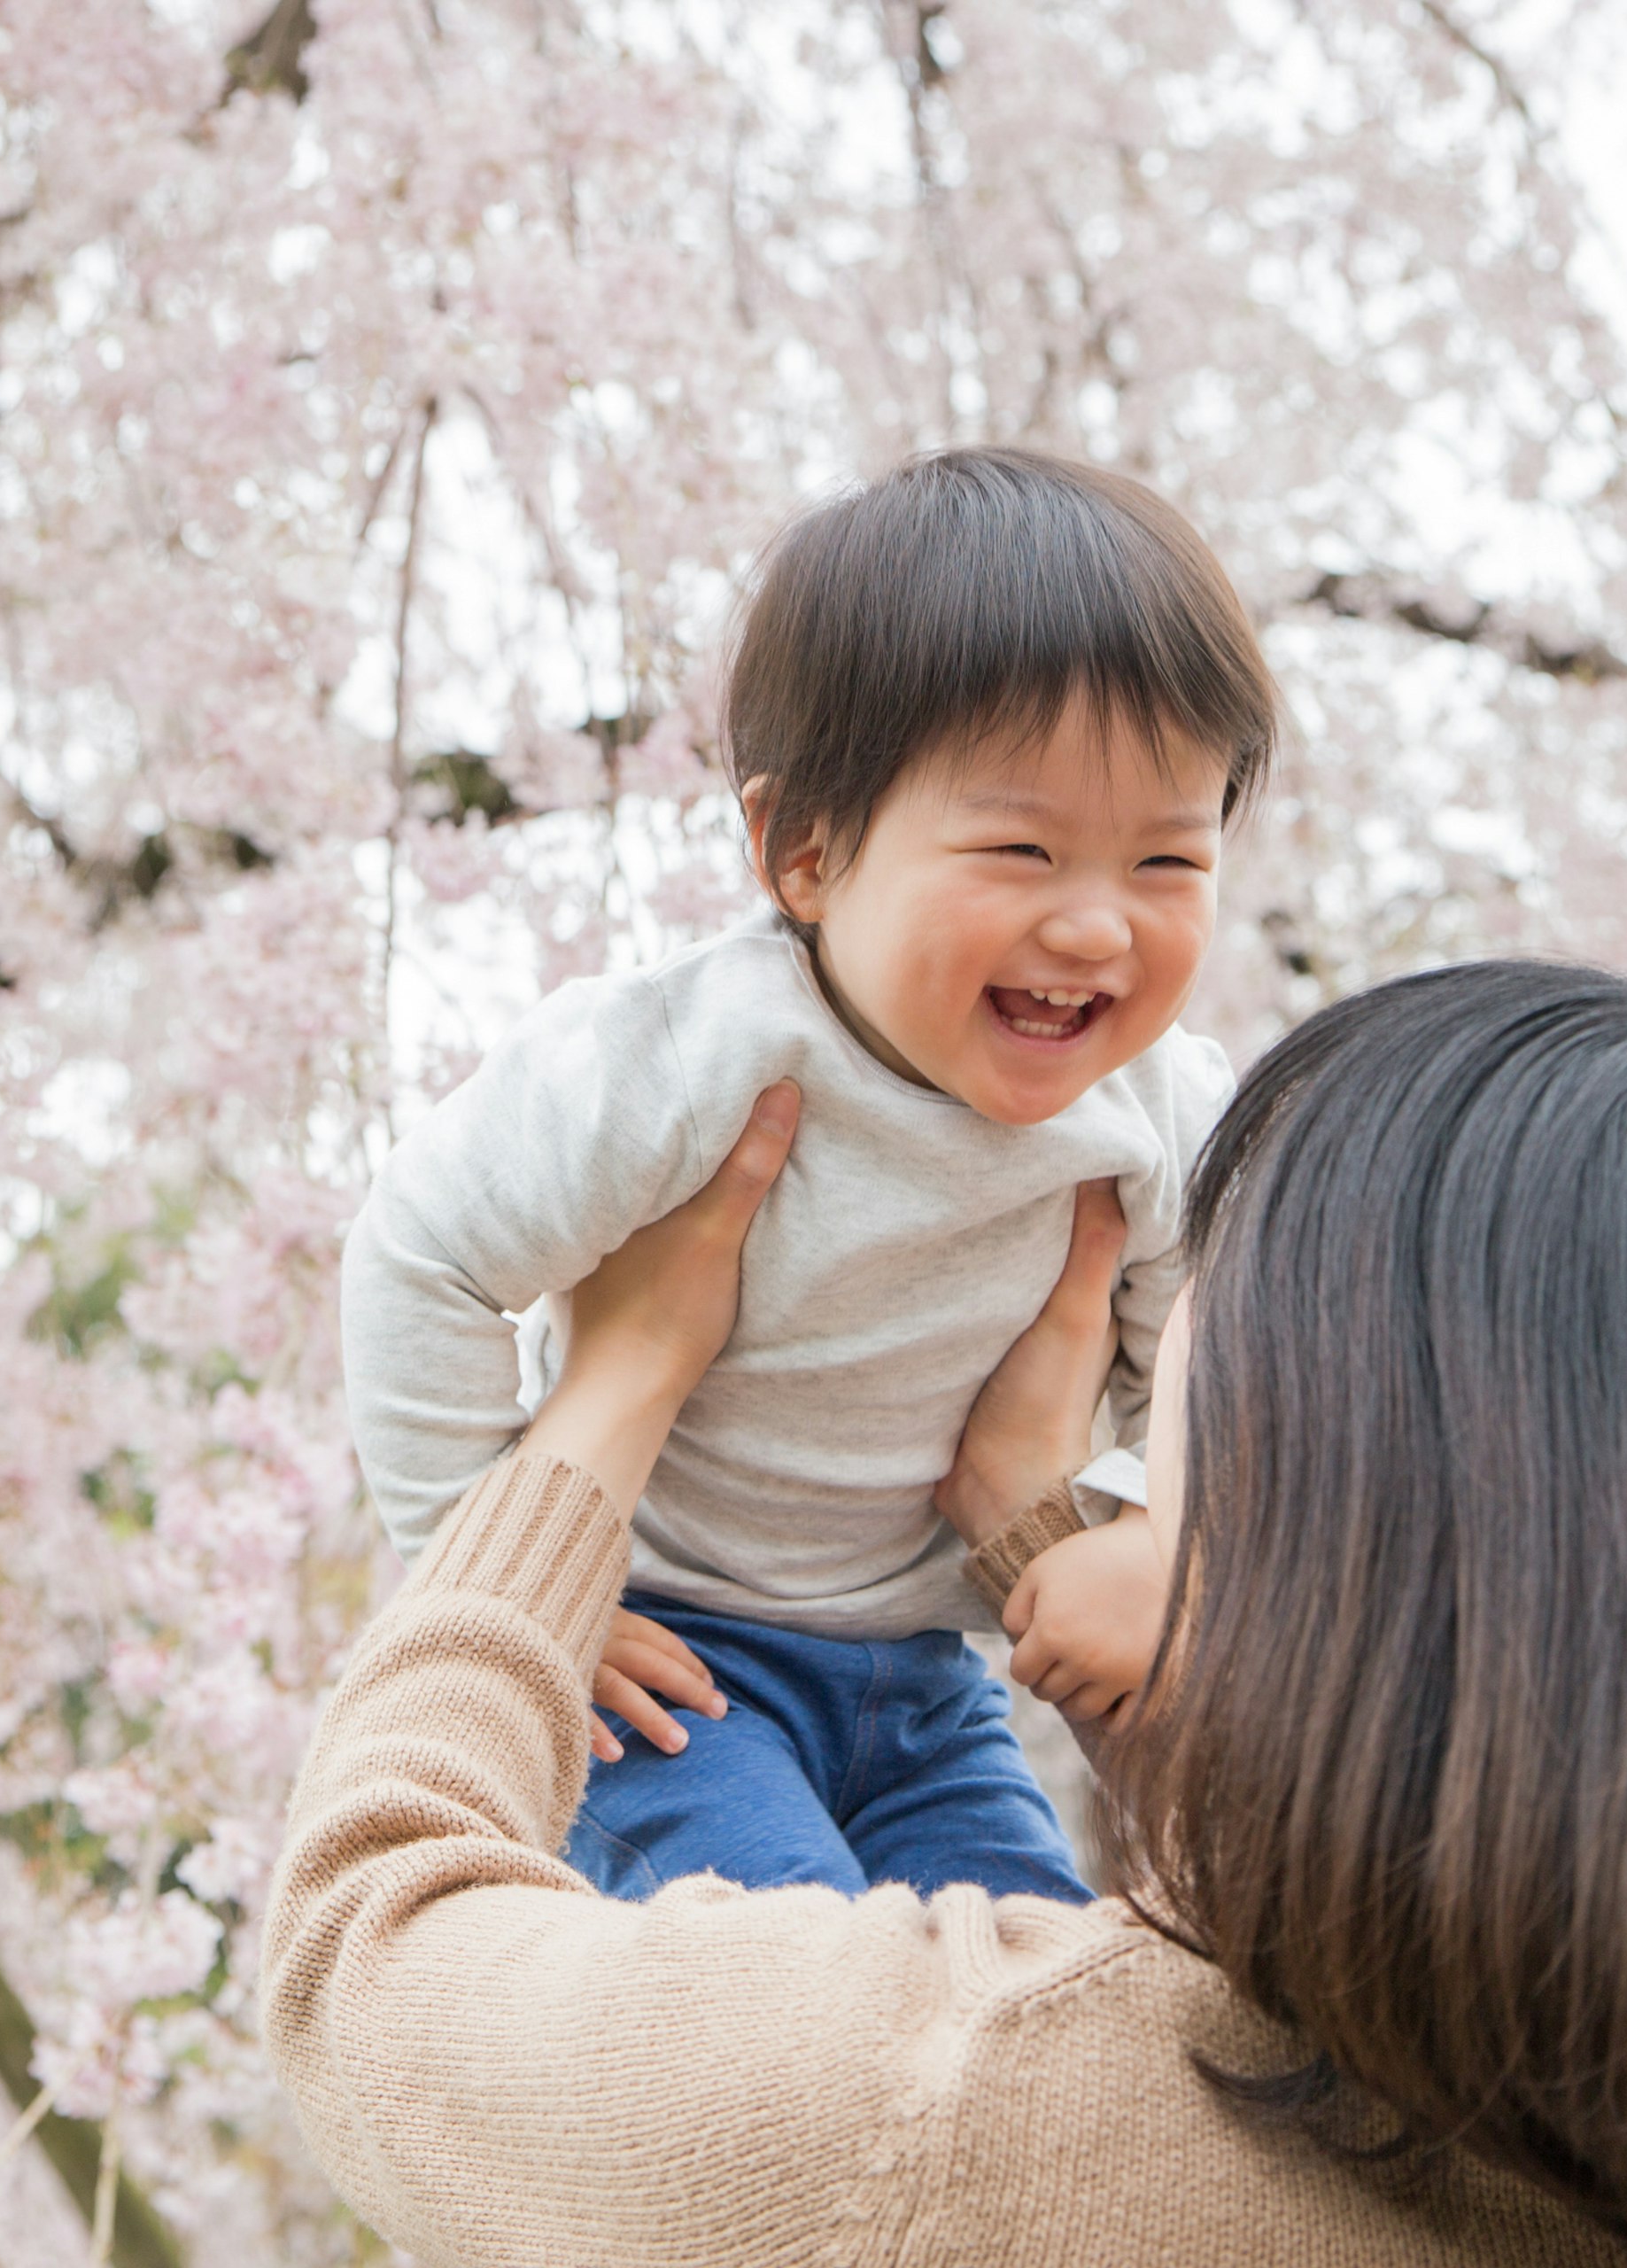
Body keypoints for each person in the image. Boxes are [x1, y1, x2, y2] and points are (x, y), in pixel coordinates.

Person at [267, 959, 1627, 2268]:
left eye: (1177, 1456)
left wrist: (601, 1415)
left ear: (1358, 1555)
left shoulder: (973, 2117)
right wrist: (1042, 1529)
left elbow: (372, 1959)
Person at [336, 446, 1274, 1903]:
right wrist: (515, 1599)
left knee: (1027, 1998)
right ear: (806, 855)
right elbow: (422, 1257)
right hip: (669, 1670)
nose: (1098, 929)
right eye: (1022, 848)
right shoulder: (693, 1058)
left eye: (1167, 864)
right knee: (815, 1998)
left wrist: (1139, 1537)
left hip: (930, 1694)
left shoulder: (1161, 1109)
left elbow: (1211, 1368)